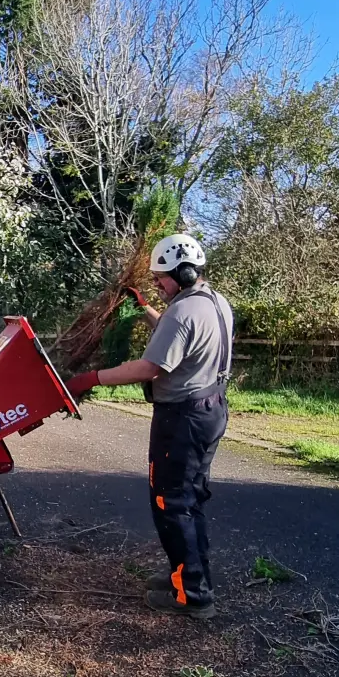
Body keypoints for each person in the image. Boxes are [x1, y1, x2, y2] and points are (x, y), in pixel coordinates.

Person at [65, 234, 233, 619]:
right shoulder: (213, 303)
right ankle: (187, 575)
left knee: (171, 502)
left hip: (183, 417)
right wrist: (145, 310)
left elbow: (150, 366)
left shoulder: (184, 310)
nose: (158, 284)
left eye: (162, 278)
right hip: (209, 409)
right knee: (189, 498)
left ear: (184, 272)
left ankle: (192, 594)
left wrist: (90, 378)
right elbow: (177, 338)